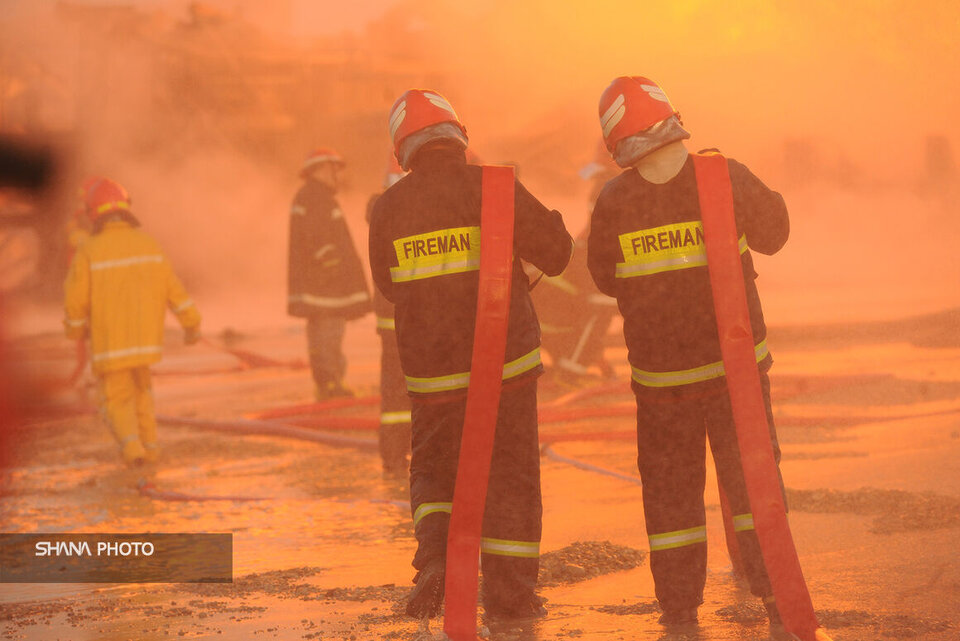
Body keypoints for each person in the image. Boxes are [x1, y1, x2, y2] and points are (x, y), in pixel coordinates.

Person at [587, 76, 791, 627]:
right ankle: (775, 592)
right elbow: (775, 233)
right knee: (753, 482)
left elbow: (605, 277)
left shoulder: (614, 200)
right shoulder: (725, 175)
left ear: (615, 141)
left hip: (662, 383)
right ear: (673, 119)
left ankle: (679, 610)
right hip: (738, 372)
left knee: (672, 495)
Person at [368, 89, 573, 621]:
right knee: (512, 478)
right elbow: (556, 253)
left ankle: (435, 561)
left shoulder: (387, 208)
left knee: (435, 471)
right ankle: (510, 597)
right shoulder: (497, 187)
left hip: (433, 373)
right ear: (458, 137)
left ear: (403, 149)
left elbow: (389, 286)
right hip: (505, 365)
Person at [63, 178, 201, 466]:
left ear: (94, 214)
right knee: (142, 395)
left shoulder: (90, 249)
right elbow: (174, 290)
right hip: (145, 345)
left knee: (115, 400)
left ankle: (133, 453)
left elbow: (75, 299)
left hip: (111, 344)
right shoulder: (148, 244)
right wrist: (191, 324)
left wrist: (74, 330)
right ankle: (150, 448)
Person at [287, 148, 371, 400]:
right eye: (334, 168)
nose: (337, 174)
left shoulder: (314, 196)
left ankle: (329, 383)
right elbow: (316, 240)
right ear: (321, 168)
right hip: (326, 285)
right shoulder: (315, 197)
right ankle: (331, 385)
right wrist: (334, 268)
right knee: (328, 334)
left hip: (323, 284)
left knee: (325, 334)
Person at [365, 155, 411, 477]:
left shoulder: (381, 210)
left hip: (395, 316)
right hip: (404, 316)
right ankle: (397, 455)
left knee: (398, 388)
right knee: (404, 389)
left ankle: (396, 456)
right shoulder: (399, 211)